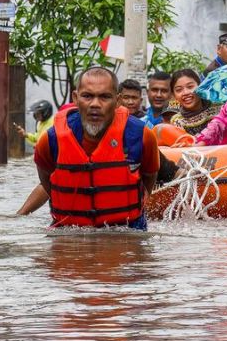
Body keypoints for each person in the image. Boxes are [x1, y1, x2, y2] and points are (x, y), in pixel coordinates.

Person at [28, 67, 159, 227]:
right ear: (75, 98)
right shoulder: (51, 140)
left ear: (118, 101)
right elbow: (46, 179)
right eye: (87, 96)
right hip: (70, 231)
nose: (95, 104)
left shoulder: (142, 135)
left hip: (127, 229)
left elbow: (150, 175)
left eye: (104, 97)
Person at [168, 69, 222, 137]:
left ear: (200, 87)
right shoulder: (177, 121)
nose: (186, 93)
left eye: (190, 87)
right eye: (179, 90)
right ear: (174, 96)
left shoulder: (220, 109)